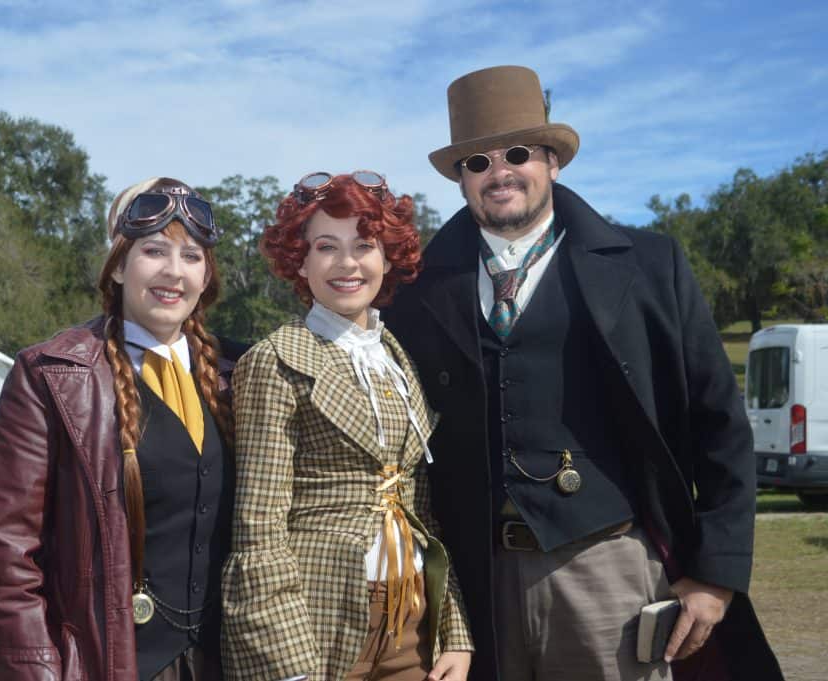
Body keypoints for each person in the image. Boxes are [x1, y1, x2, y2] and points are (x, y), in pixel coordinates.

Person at [383, 66, 783, 681]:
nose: (499, 174)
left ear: (552, 161)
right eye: (477, 163)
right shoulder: (414, 291)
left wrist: (714, 572)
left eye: (516, 153)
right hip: (474, 584)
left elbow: (719, 425)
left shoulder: (650, 266)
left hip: (608, 567)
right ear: (461, 178)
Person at [0, 177, 235, 680]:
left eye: (192, 256)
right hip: (112, 663)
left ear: (207, 276)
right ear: (117, 267)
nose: (174, 273)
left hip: (227, 664)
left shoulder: (236, 375)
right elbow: (4, 557)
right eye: (154, 251)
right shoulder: (51, 376)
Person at [222, 172, 473, 681]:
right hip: (319, 629)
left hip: (412, 627)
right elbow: (258, 530)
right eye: (325, 246)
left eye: (364, 245)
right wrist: (288, 667)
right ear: (302, 259)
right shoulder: (275, 361)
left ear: (387, 257)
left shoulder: (397, 359)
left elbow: (421, 512)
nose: (347, 264)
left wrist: (455, 632)